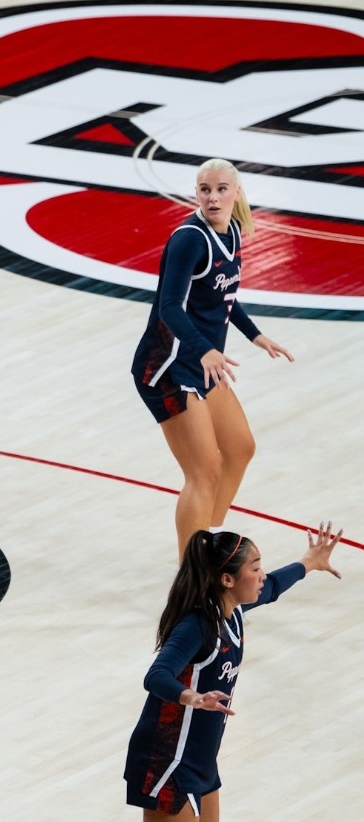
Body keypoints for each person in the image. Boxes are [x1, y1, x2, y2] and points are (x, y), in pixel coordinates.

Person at [124, 523, 342, 822]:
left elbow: (274, 586)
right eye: (255, 568)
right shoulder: (197, 625)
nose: (262, 574)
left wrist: (309, 562)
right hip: (168, 760)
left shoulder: (233, 610)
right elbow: (157, 675)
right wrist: (194, 697)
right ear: (227, 579)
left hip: (200, 757)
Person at [131, 159, 295, 557]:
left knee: (240, 448)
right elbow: (170, 306)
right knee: (203, 471)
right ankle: (192, 570)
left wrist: (254, 334)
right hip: (167, 366)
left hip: (203, 362)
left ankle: (209, 540)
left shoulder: (234, 231)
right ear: (196, 192)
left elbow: (223, 296)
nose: (213, 196)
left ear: (236, 192)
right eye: (205, 189)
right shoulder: (191, 238)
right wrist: (205, 348)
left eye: (222, 188)